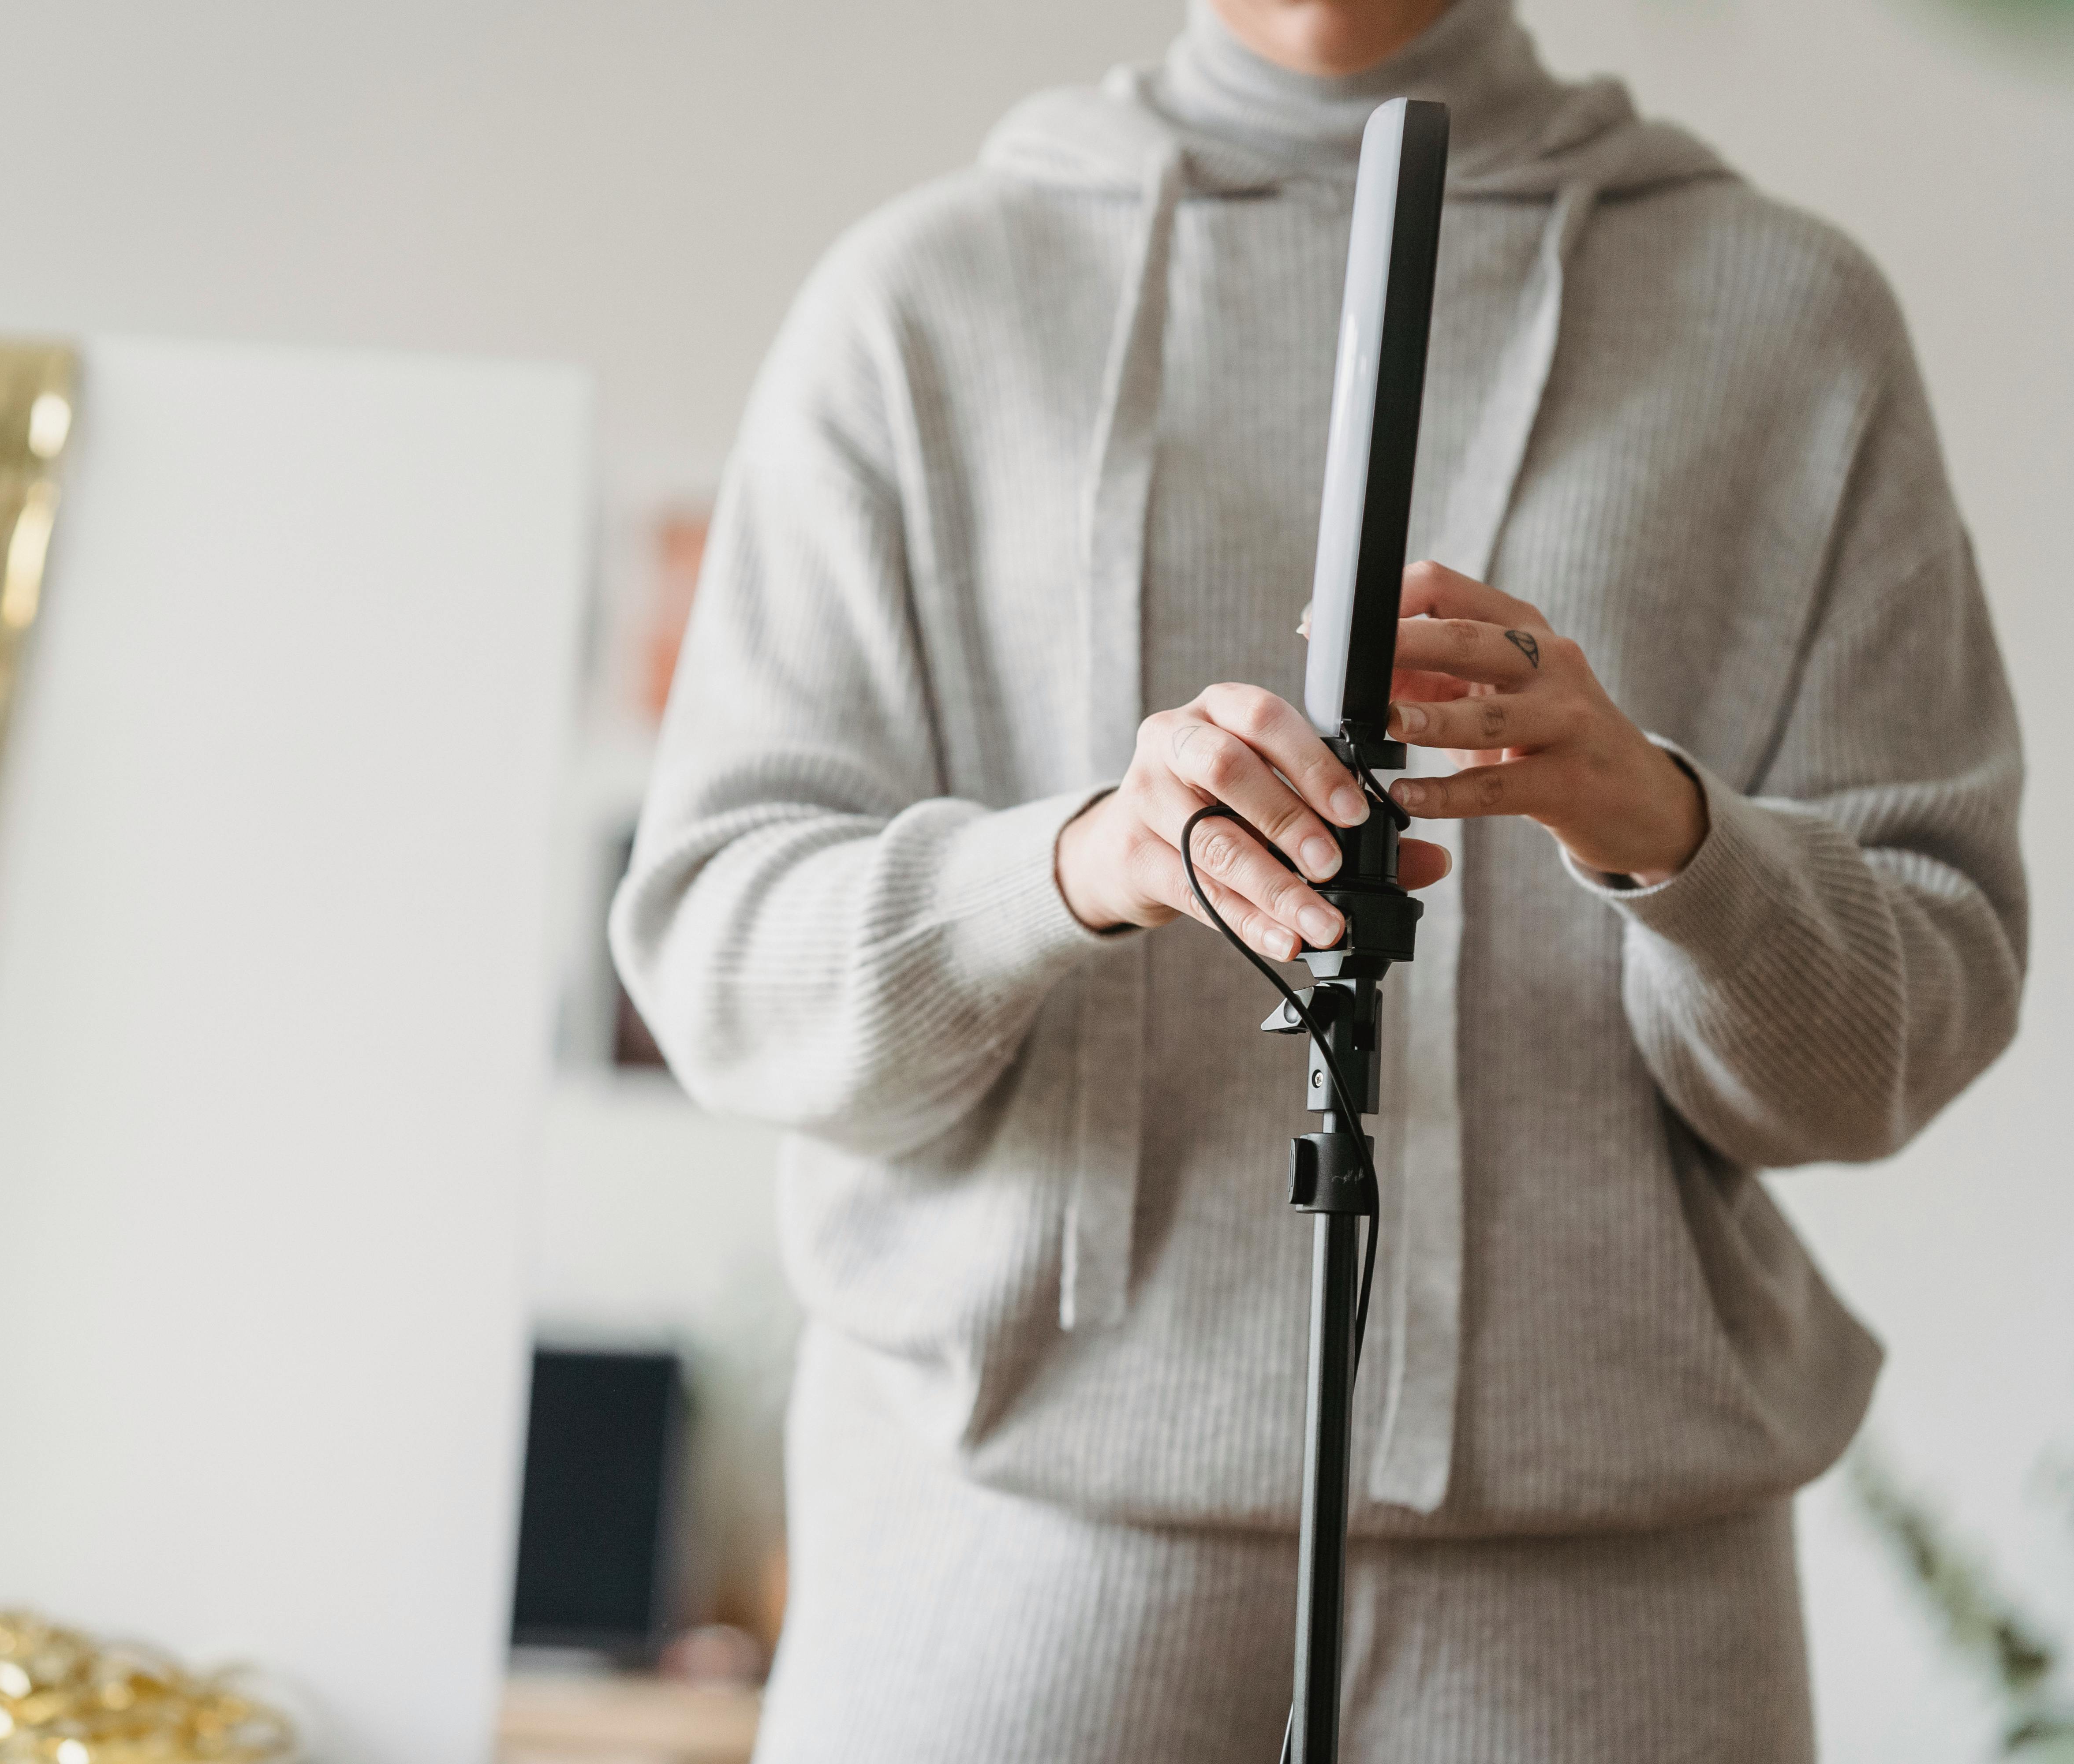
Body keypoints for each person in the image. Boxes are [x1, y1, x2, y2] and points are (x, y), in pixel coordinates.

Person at [609, 0, 2029, 1757]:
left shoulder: (1783, 317)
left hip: (1619, 1609)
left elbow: (1913, 1018)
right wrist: (1070, 868)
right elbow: (716, 965)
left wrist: (1670, 833)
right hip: (1003, 1581)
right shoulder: (928, 301)